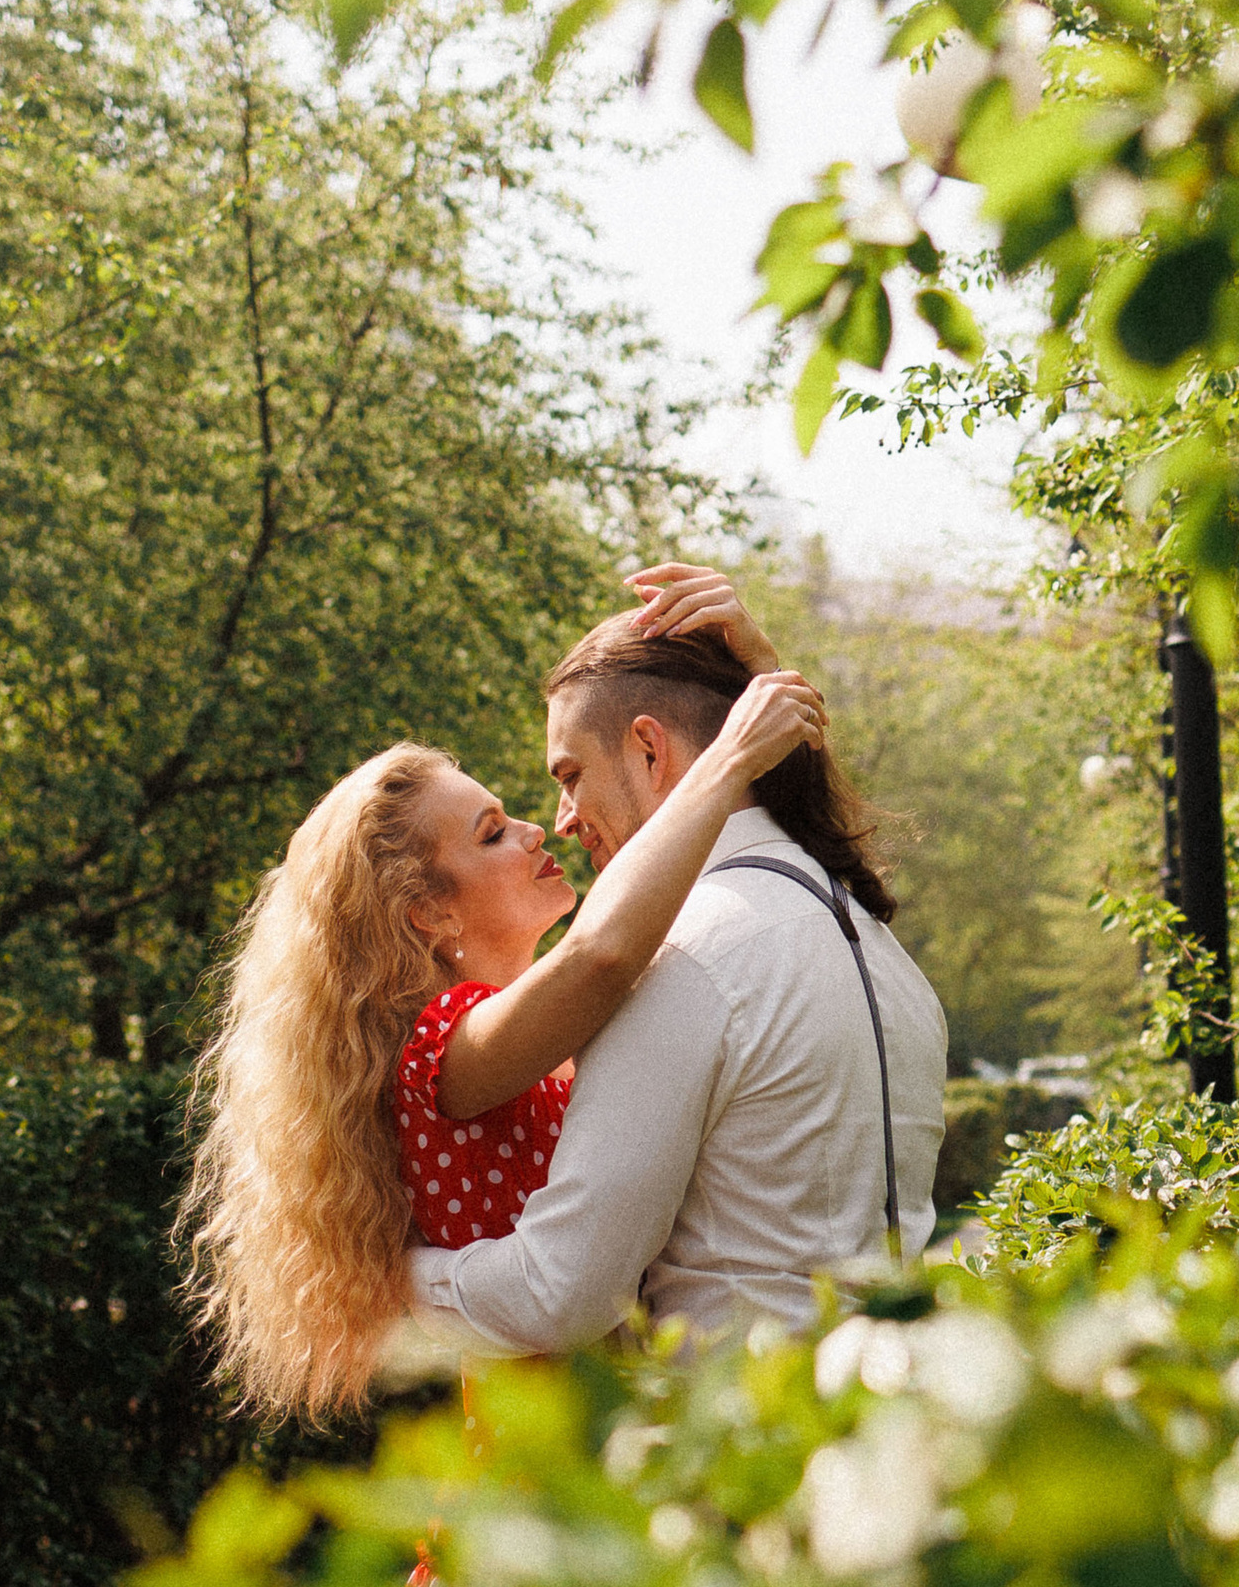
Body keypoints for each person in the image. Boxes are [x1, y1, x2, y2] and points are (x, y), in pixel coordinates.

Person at [177, 631, 824, 1419]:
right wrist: (726, 762)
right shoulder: (444, 1045)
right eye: (492, 833)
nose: (537, 831)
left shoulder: (549, 1043)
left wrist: (752, 658)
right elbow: (602, 955)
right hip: (545, 1460)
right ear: (429, 910)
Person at [405, 568, 947, 1359]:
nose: (560, 819)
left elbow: (558, 1294)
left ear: (650, 748)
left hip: (743, 1450)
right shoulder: (879, 944)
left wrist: (390, 1277)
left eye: (570, 775)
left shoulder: (681, 960)